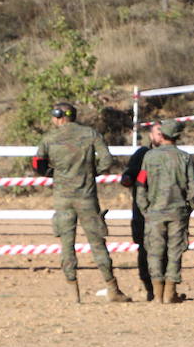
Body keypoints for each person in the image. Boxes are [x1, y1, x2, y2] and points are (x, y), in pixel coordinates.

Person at [33, 103, 131, 304]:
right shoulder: (91, 134)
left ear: (59, 116)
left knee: (66, 244)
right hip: (87, 197)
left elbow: (38, 164)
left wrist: (53, 174)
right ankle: (112, 288)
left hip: (62, 197)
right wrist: (91, 172)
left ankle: (73, 292)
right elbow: (107, 160)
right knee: (97, 243)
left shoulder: (49, 138)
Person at [135, 119, 194, 304]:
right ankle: (170, 293)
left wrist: (144, 209)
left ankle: (157, 294)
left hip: (154, 213)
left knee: (154, 252)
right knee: (175, 252)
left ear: (162, 135)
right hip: (178, 212)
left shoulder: (149, 157)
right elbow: (193, 189)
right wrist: (188, 208)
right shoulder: (184, 157)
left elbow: (141, 184)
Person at [119, 141, 154, 301]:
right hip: (142, 211)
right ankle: (150, 288)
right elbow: (129, 176)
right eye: (157, 132)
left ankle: (167, 289)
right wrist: (127, 178)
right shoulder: (142, 154)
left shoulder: (176, 155)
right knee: (144, 248)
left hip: (166, 211)